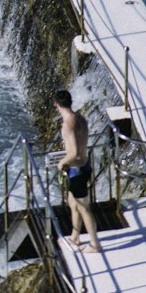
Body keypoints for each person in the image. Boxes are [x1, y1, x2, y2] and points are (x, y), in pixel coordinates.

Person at [55, 89, 101, 253]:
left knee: (84, 208)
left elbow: (73, 152)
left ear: (56, 105)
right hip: (85, 166)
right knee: (72, 203)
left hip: (77, 170)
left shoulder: (67, 124)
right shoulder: (81, 118)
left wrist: (61, 163)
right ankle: (75, 236)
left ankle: (95, 244)